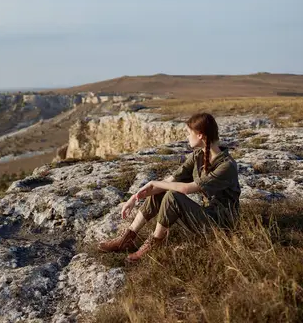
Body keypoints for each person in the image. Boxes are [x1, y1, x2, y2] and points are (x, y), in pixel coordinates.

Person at [98, 112, 241, 263]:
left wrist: (153, 183)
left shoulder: (227, 166)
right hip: (205, 215)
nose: (187, 137)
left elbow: (186, 189)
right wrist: (134, 197)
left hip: (221, 224)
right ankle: (127, 239)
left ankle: (154, 244)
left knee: (173, 197)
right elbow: (170, 180)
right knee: (163, 190)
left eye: (188, 133)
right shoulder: (198, 155)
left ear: (200, 135)